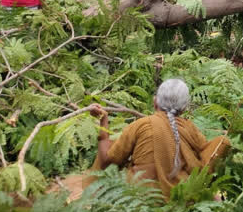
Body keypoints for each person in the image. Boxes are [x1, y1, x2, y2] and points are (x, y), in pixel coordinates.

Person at [90, 79, 231, 199]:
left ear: (155, 101)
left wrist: (104, 121)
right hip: (180, 200)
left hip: (138, 200)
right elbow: (204, 154)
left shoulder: (140, 125)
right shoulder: (190, 128)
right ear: (184, 108)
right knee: (220, 142)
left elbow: (107, 162)